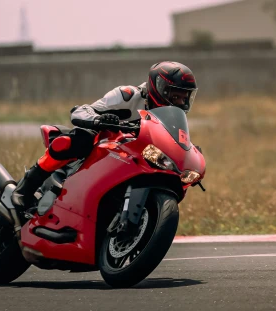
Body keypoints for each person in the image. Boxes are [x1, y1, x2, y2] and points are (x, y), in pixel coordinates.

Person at [10, 61, 198, 210]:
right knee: (78, 139)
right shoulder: (128, 96)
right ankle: (25, 188)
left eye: (185, 97)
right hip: (101, 148)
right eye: (176, 96)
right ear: (160, 88)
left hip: (132, 160)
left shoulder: (171, 119)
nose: (181, 102)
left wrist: (189, 153)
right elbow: (81, 111)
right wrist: (99, 120)